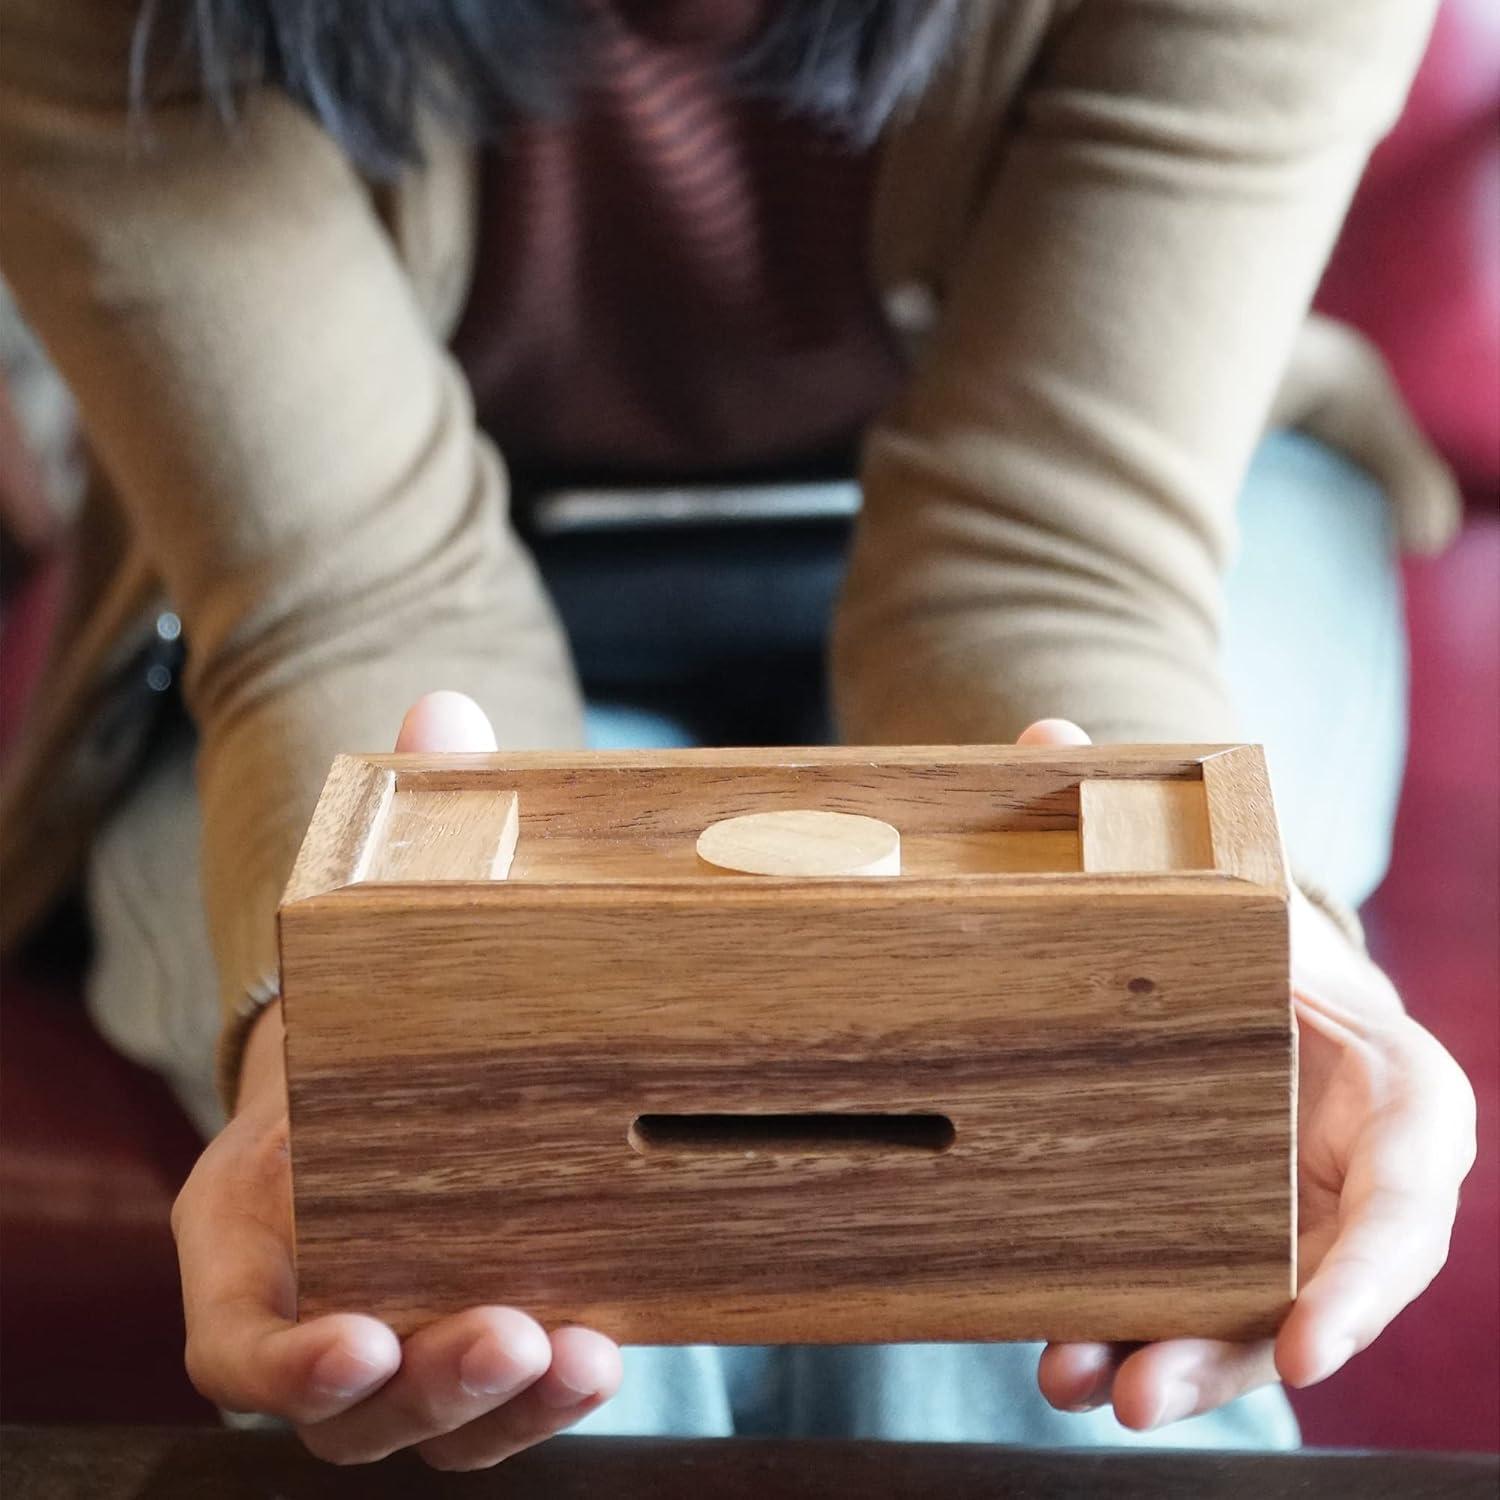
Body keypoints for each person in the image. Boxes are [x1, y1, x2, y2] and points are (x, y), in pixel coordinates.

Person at [0, 0, 1476, 1473]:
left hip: (1122, 526)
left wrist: (1203, 942)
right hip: (401, 576)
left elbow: (1045, 557)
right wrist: (361, 1015)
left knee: (1052, 1197)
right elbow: (344, 591)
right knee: (489, 1255)